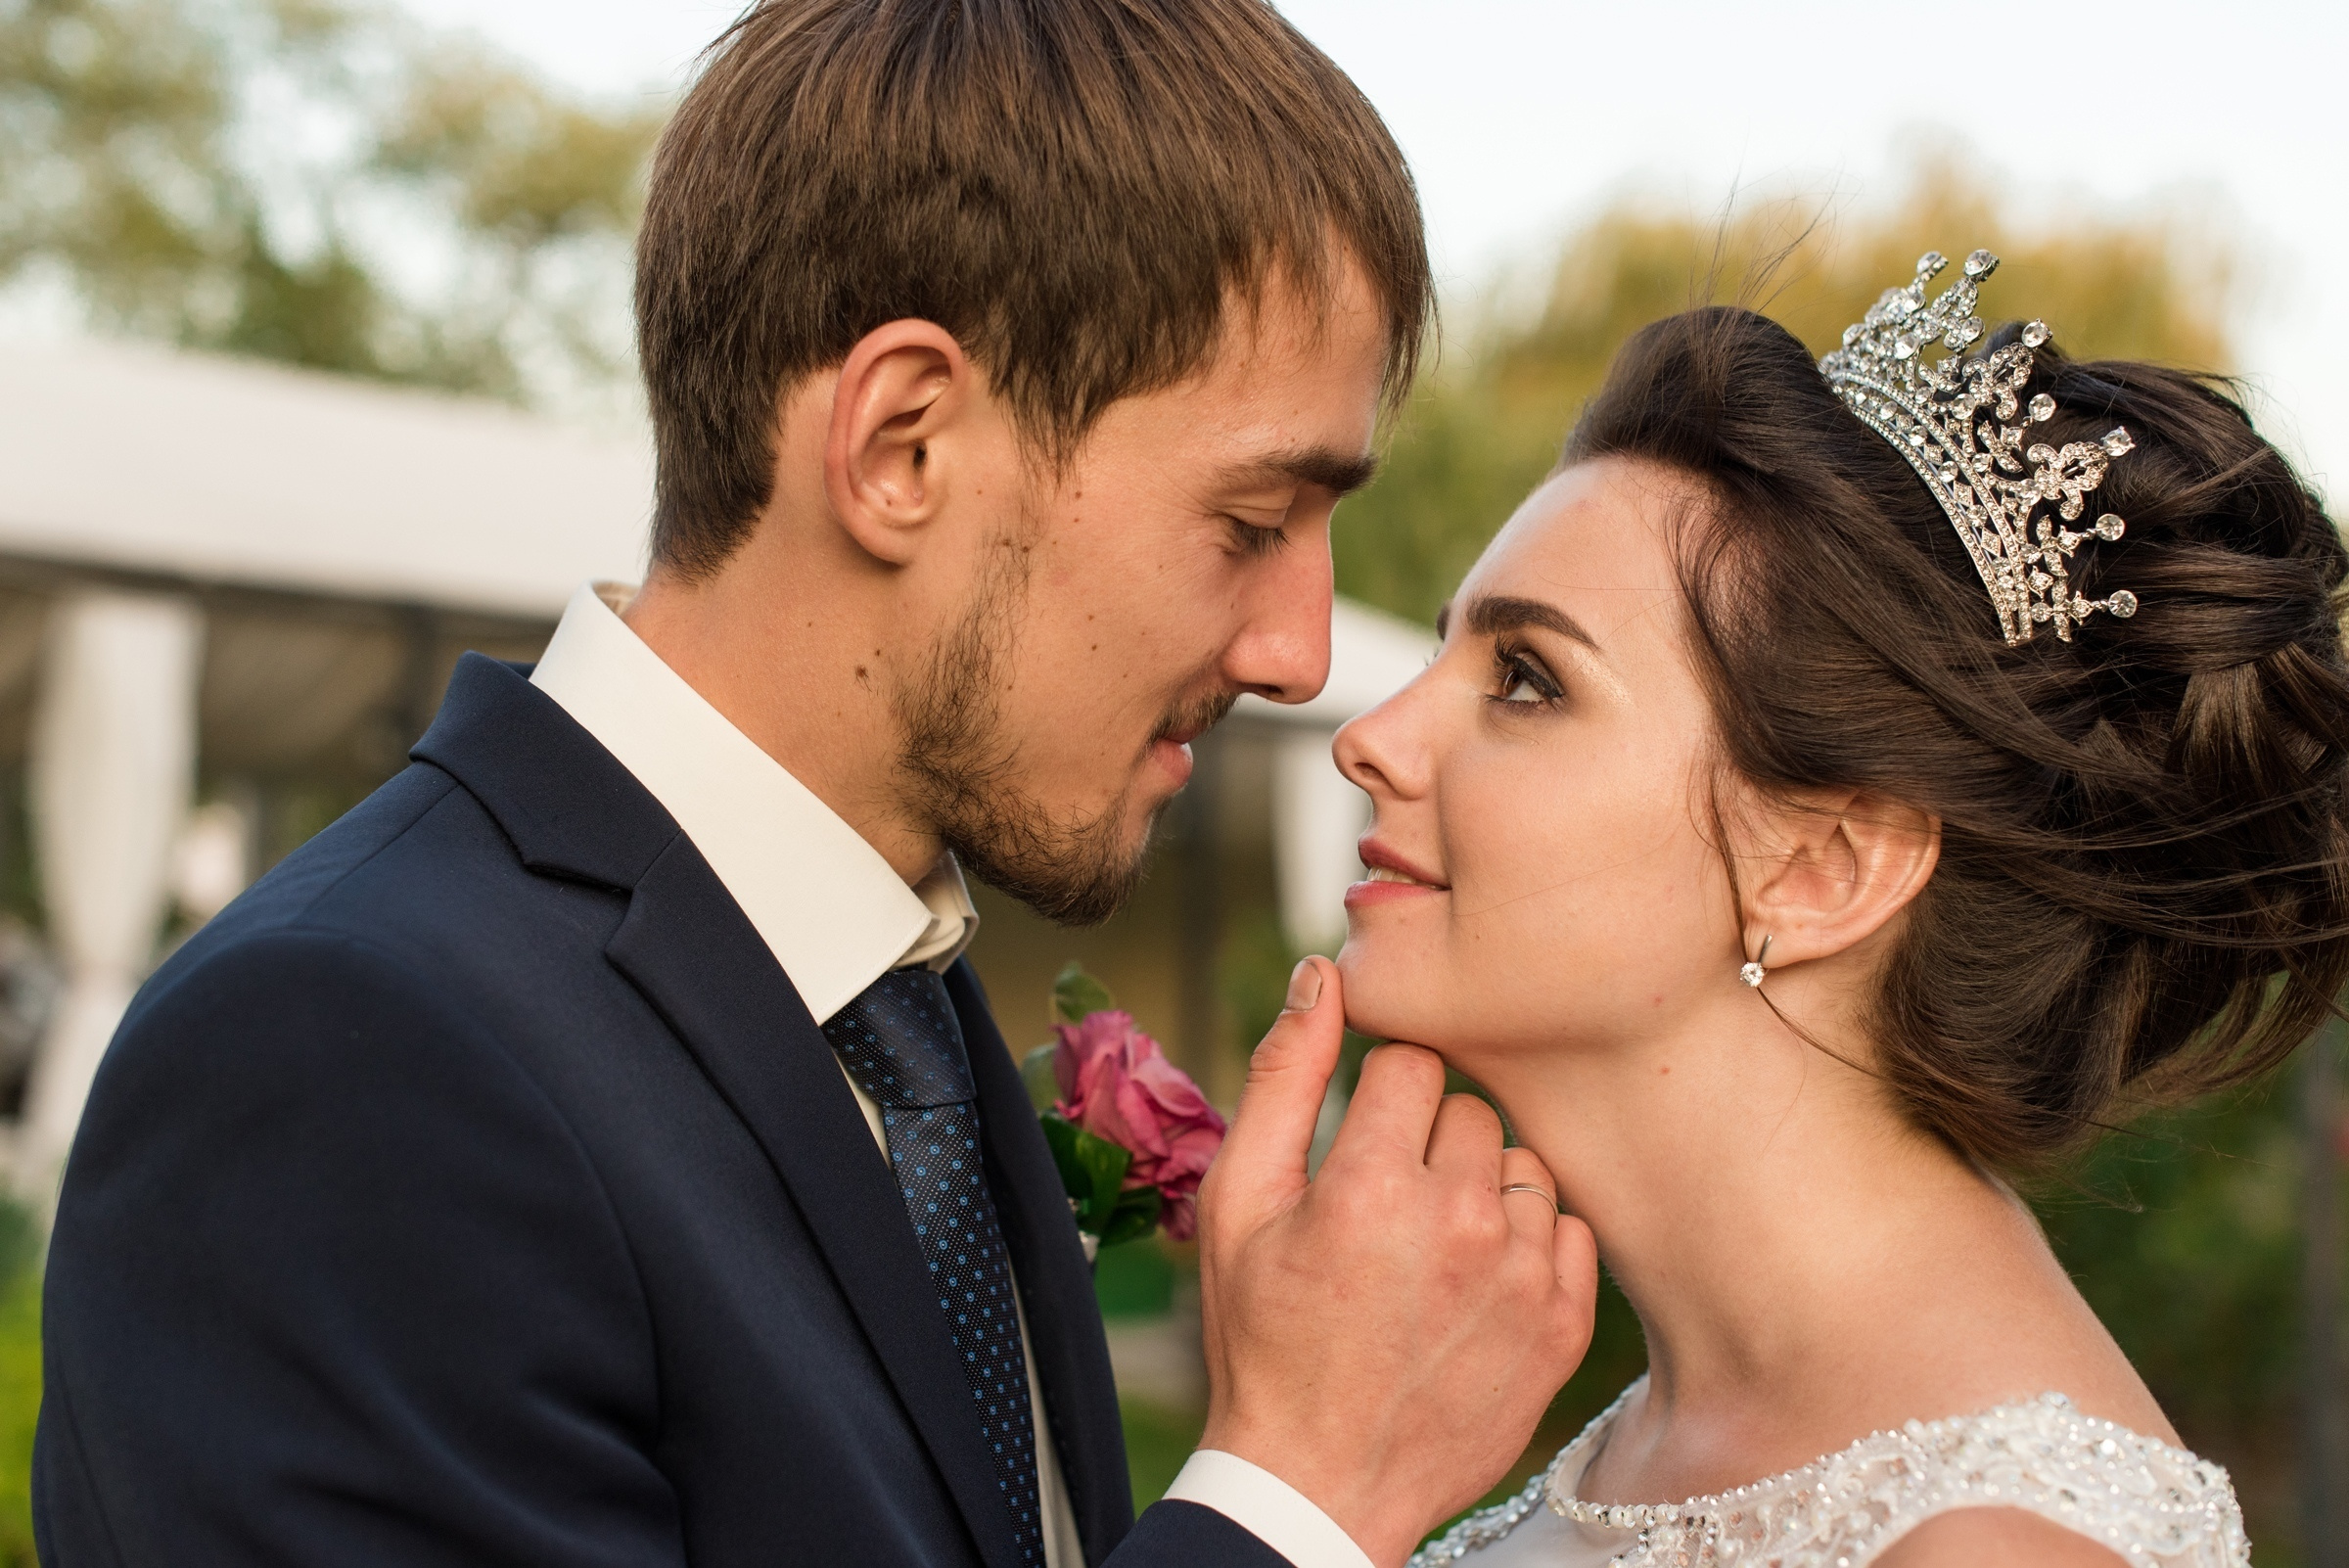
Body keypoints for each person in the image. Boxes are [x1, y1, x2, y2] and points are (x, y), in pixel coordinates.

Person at [32, 4, 1598, 1567]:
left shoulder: (897, 1009)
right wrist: (1292, 1495)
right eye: (1252, 520)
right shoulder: (348, 1062)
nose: (1299, 648)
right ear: (902, 444)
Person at [1334, 253, 2346, 1568]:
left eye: (1527, 678)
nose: (1371, 737)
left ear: (1827, 867)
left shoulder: (1993, 1545)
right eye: (1438, 651)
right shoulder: (1647, 1440)